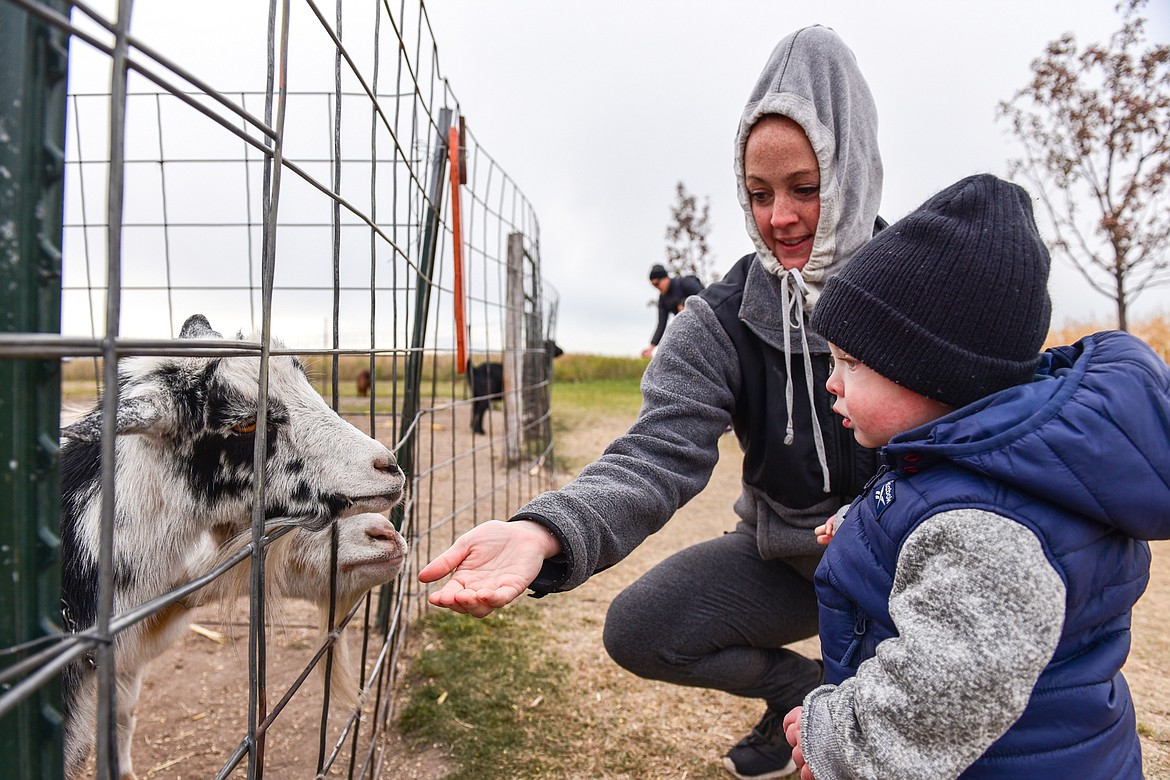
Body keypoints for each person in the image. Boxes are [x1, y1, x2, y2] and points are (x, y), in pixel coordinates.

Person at [419, 25, 884, 779]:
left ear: (854, 170)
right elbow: (654, 454)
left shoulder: (921, 293)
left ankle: (853, 706)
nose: (780, 218)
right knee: (641, 629)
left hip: (903, 561)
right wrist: (545, 531)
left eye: (806, 187)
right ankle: (799, 690)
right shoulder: (719, 319)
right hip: (791, 561)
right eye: (759, 194)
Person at [781, 173, 1170, 779]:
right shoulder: (976, 461)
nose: (832, 382)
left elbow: (934, 701)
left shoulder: (988, 535)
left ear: (938, 376)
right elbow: (934, 500)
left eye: (851, 363)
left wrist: (834, 734)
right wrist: (867, 522)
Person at [641, 264, 706, 358]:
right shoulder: (663, 299)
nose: (656, 287)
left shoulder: (684, 283)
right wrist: (651, 347)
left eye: (657, 283)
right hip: (688, 331)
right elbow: (661, 324)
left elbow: (706, 297)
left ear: (665, 278)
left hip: (705, 324)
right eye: (653, 285)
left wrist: (687, 304)